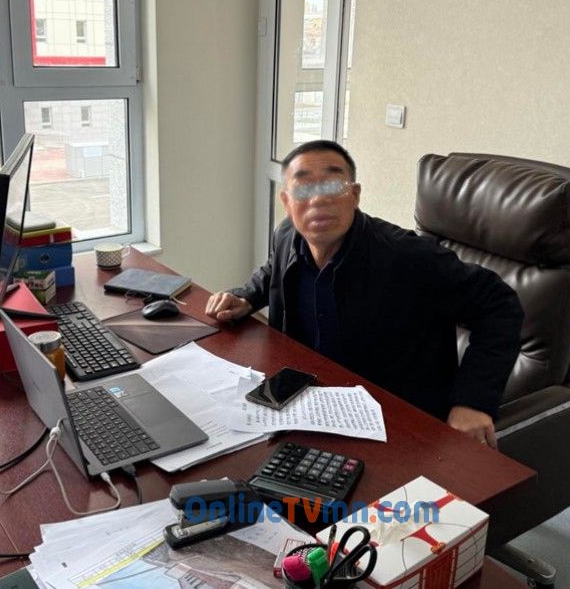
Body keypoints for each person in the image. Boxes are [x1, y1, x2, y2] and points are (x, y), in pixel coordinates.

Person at [206, 140, 523, 448]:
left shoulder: (406, 256)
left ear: (354, 195)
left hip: (392, 421)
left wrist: (472, 401)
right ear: (287, 202)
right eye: (303, 190)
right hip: (306, 399)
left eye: (333, 186)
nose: (318, 200)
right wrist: (247, 297)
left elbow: (500, 305)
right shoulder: (287, 235)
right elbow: (273, 268)